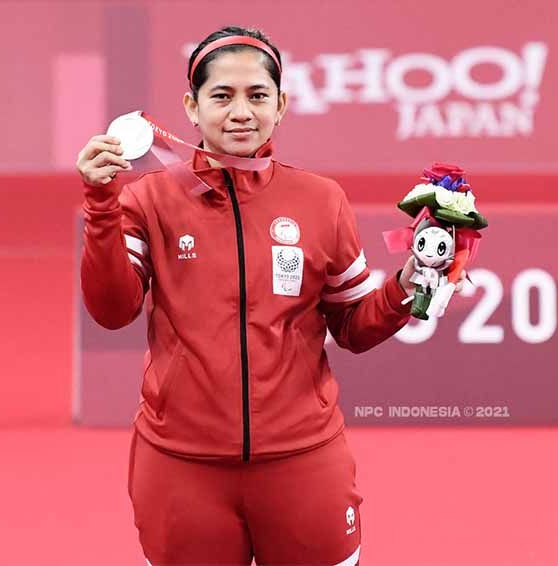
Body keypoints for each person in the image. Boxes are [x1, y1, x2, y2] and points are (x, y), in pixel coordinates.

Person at [77, 26, 456, 566]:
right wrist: (101, 204)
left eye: (257, 96)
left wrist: (411, 281)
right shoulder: (147, 200)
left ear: (281, 105)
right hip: (183, 466)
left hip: (303, 462)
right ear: (191, 105)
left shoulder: (321, 200)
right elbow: (111, 312)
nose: (240, 112)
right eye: (221, 96)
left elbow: (352, 324)